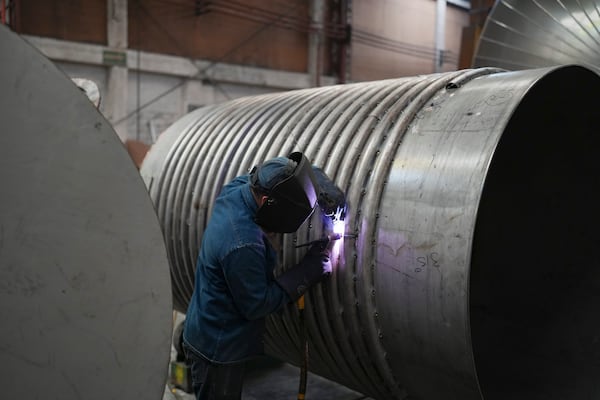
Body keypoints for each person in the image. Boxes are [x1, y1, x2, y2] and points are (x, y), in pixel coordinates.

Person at [182, 152, 342, 400]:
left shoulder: (241, 188)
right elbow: (257, 304)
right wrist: (308, 271)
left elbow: (285, 173)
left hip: (210, 325)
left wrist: (322, 186)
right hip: (218, 347)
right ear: (268, 201)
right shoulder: (242, 244)